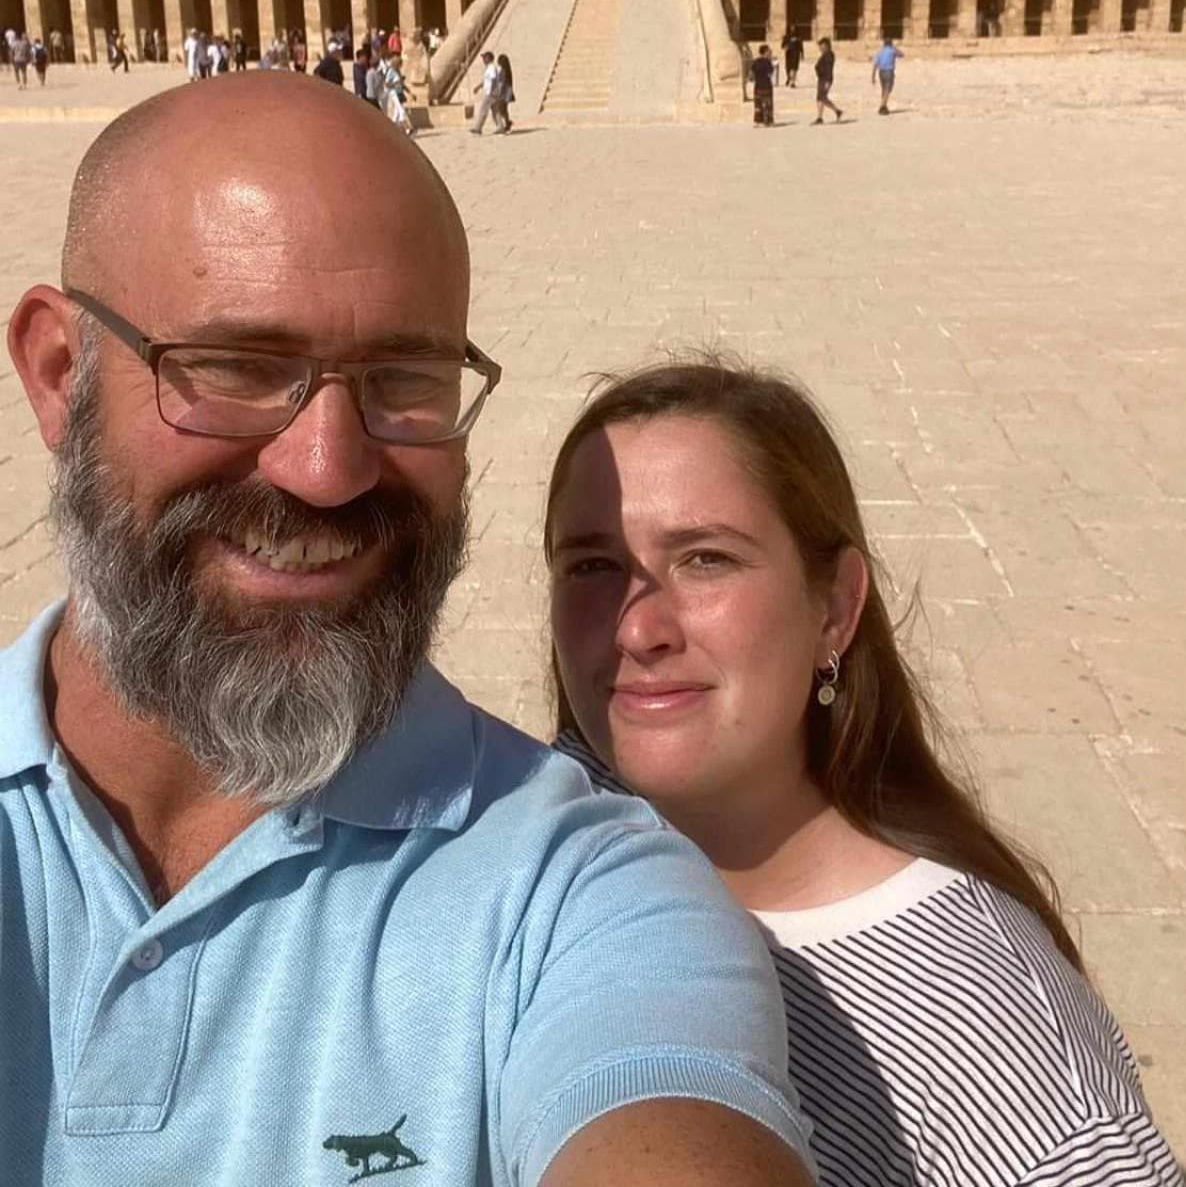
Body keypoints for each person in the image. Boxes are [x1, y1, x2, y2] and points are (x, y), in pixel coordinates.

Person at [1, 84, 815, 1186]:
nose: (327, 467)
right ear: (59, 374)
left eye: (405, 381)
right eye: (238, 368)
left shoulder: (583, 894)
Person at [544, 358, 1186, 1187]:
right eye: (592, 566)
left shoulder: (1001, 1055)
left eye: (706, 559)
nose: (638, 629)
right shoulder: (537, 828)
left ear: (836, 608)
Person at [470, 49, 505, 135]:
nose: (483, 60)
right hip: (492, 92)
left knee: (483, 109)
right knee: (495, 111)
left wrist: (492, 91)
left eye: (484, 58)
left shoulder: (491, 68)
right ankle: (500, 127)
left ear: (488, 58)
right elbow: (486, 81)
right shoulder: (489, 68)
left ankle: (478, 128)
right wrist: (478, 87)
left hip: (491, 93)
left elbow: (493, 79)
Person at [813, 37, 843, 125]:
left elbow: (829, 68)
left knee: (822, 97)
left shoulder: (829, 55)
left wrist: (827, 81)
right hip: (821, 78)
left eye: (821, 46)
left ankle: (837, 111)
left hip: (826, 79)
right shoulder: (824, 55)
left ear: (826, 46)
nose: (820, 48)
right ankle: (820, 117)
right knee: (820, 97)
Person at [871, 36, 902, 114]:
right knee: (888, 89)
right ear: (891, 44)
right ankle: (882, 106)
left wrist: (873, 76)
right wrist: (894, 48)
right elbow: (901, 54)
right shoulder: (892, 51)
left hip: (881, 72)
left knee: (884, 90)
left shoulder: (879, 52)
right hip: (889, 72)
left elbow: (875, 65)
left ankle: (884, 107)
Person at [749, 44, 775, 127]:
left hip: (757, 86)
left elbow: (751, 76)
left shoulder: (755, 61)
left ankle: (758, 121)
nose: (770, 52)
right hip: (766, 86)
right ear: (765, 52)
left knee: (758, 104)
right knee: (768, 104)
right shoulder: (768, 62)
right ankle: (768, 121)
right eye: (769, 51)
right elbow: (770, 74)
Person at [493, 53, 515, 132]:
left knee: (501, 109)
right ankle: (507, 122)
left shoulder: (503, 71)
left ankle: (506, 123)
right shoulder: (508, 71)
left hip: (504, 92)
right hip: (507, 92)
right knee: (504, 109)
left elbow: (501, 83)